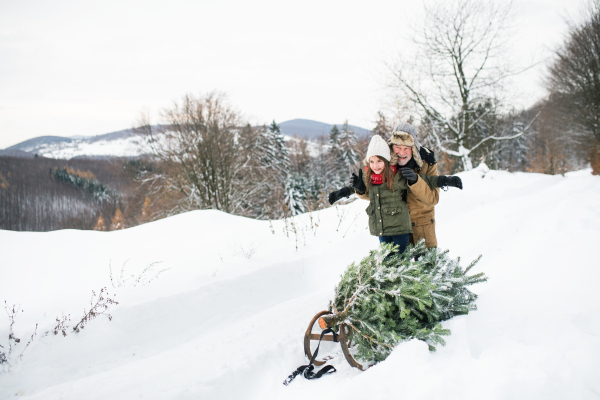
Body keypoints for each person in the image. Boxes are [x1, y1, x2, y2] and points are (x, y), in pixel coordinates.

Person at [328, 135, 438, 255]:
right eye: (372, 162)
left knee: (417, 261)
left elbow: (430, 188)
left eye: (379, 161)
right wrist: (346, 192)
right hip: (383, 229)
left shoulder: (398, 175)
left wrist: (446, 180)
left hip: (407, 225)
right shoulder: (370, 175)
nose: (375, 166)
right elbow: (365, 191)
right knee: (390, 262)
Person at [386, 123, 462, 248]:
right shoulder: (383, 162)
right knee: (395, 267)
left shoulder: (427, 161)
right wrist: (359, 189)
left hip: (422, 230)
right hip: (395, 230)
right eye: (398, 147)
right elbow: (374, 193)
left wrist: (416, 181)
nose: (401, 152)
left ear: (414, 147)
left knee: (426, 266)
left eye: (406, 148)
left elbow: (433, 199)